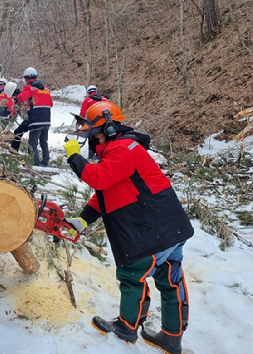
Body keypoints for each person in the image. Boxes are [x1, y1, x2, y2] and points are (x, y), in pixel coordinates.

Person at [62, 101, 193, 354]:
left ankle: (127, 327)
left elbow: (98, 177)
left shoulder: (123, 148)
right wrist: (84, 219)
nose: (91, 138)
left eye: (92, 132)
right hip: (171, 228)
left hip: (153, 228)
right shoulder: (122, 149)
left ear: (108, 128)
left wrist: (74, 157)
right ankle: (171, 337)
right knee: (170, 281)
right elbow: (107, 189)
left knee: (133, 275)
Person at [16, 67, 53, 166]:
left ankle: (35, 164)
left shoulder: (29, 87)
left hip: (36, 119)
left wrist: (18, 96)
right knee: (44, 142)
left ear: (26, 78)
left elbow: (21, 98)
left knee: (33, 143)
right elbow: (51, 104)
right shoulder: (45, 89)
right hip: (46, 119)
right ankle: (46, 162)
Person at [79, 85, 108, 159]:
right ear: (96, 91)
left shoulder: (87, 100)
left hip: (92, 123)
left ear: (88, 92)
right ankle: (103, 154)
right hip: (105, 122)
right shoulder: (104, 99)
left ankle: (91, 155)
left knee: (91, 139)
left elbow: (82, 113)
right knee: (103, 138)